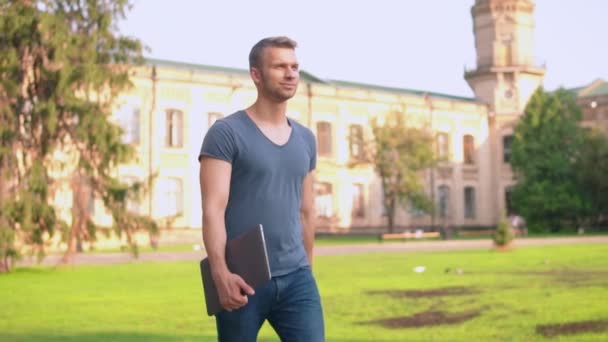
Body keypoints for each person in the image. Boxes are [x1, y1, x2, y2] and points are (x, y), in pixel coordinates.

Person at [198, 36, 325, 342]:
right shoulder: (225, 133)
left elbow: (307, 211)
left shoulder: (306, 138)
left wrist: (307, 268)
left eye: (294, 66)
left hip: (297, 280)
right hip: (242, 278)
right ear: (256, 74)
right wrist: (220, 274)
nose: (291, 73)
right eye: (280, 66)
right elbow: (213, 209)